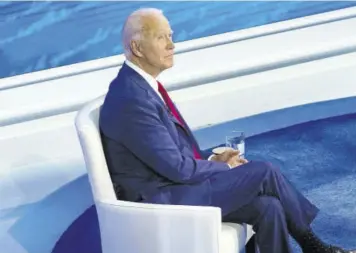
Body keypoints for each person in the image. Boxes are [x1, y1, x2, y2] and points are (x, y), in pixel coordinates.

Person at [99, 8, 355, 253]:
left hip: (171, 186)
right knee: (264, 171)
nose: (171, 45)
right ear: (137, 47)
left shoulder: (140, 88)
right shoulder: (132, 99)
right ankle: (314, 247)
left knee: (269, 206)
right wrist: (225, 168)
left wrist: (213, 160)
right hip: (159, 201)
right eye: (161, 37)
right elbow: (177, 168)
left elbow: (170, 155)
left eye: (171, 36)